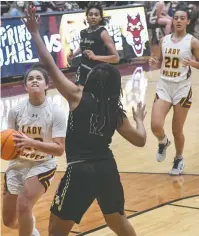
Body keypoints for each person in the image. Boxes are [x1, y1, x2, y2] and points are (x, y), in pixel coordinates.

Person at [23, 5, 147, 236]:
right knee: (118, 222)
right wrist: (139, 119)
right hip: (107, 168)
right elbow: (140, 141)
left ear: (92, 80)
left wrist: (35, 33)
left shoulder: (77, 97)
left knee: (55, 232)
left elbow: (49, 63)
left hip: (80, 171)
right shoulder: (115, 111)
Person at [2, 64, 67, 236]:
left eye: (39, 78)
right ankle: (31, 230)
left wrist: (31, 142)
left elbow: (59, 150)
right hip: (19, 163)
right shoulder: (15, 111)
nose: (34, 81)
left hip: (43, 164)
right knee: (8, 221)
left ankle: (27, 225)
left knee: (24, 205)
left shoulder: (56, 111)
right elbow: (11, 140)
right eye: (30, 79)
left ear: (47, 85)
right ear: (26, 86)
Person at [149, 6, 199, 175]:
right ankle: (163, 142)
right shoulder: (164, 40)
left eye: (181, 18)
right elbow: (158, 60)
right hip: (164, 86)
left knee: (177, 130)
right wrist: (153, 61)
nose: (178, 20)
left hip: (182, 89)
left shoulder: (192, 42)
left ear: (187, 21)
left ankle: (178, 158)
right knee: (156, 126)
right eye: (176, 17)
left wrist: (192, 63)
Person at [68, 2, 120, 88]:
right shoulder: (83, 32)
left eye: (96, 15)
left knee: (94, 99)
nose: (93, 17)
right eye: (90, 14)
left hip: (98, 72)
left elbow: (116, 58)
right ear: (87, 17)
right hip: (83, 70)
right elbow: (83, 47)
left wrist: (95, 57)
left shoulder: (103, 33)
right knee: (79, 96)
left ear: (100, 18)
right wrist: (73, 55)